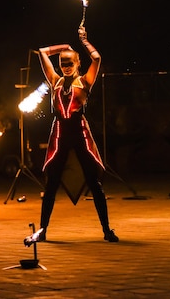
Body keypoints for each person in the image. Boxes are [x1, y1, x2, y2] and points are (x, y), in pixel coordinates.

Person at [35, 26, 119, 242]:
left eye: (69, 63)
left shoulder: (85, 81)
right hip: (60, 133)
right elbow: (42, 51)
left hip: (80, 132)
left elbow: (97, 58)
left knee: (94, 183)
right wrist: (63, 46)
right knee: (51, 183)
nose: (65, 67)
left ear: (77, 63)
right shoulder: (55, 81)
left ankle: (106, 230)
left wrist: (84, 41)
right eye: (62, 63)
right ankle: (43, 229)